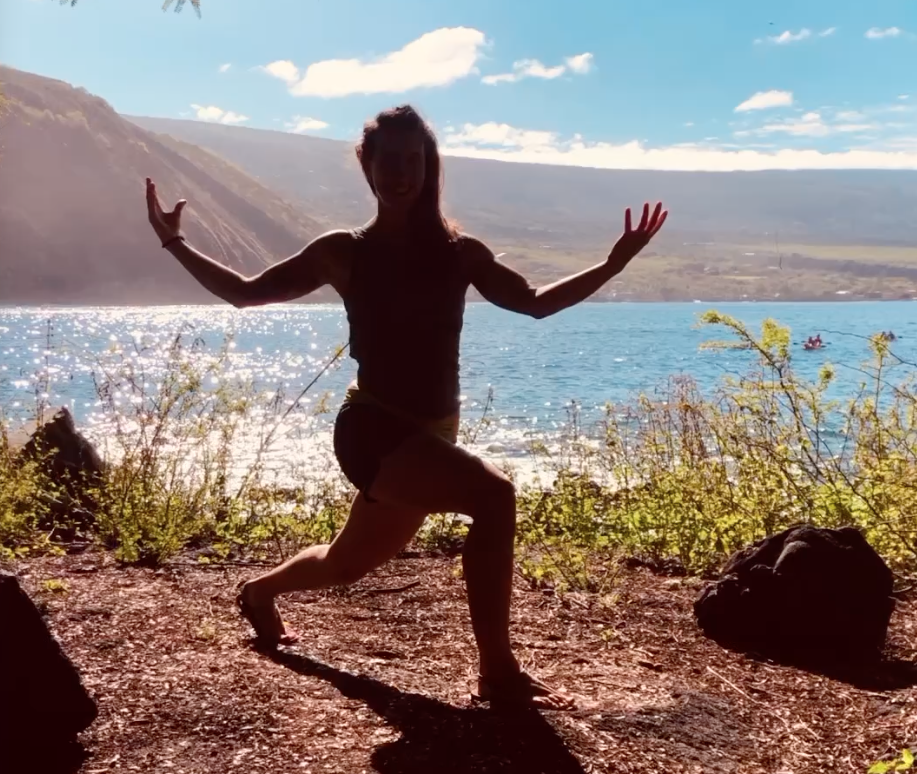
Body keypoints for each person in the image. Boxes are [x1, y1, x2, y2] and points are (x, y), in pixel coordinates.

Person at [145, 104, 667, 708]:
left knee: (345, 564)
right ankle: (499, 674)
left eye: (411, 160)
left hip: (431, 435)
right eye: (386, 160)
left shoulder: (461, 252)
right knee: (493, 497)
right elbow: (244, 293)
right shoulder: (341, 251)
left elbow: (535, 304)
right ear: (366, 166)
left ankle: (259, 592)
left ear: (429, 167)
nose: (399, 172)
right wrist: (173, 242)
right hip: (371, 428)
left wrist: (612, 264)